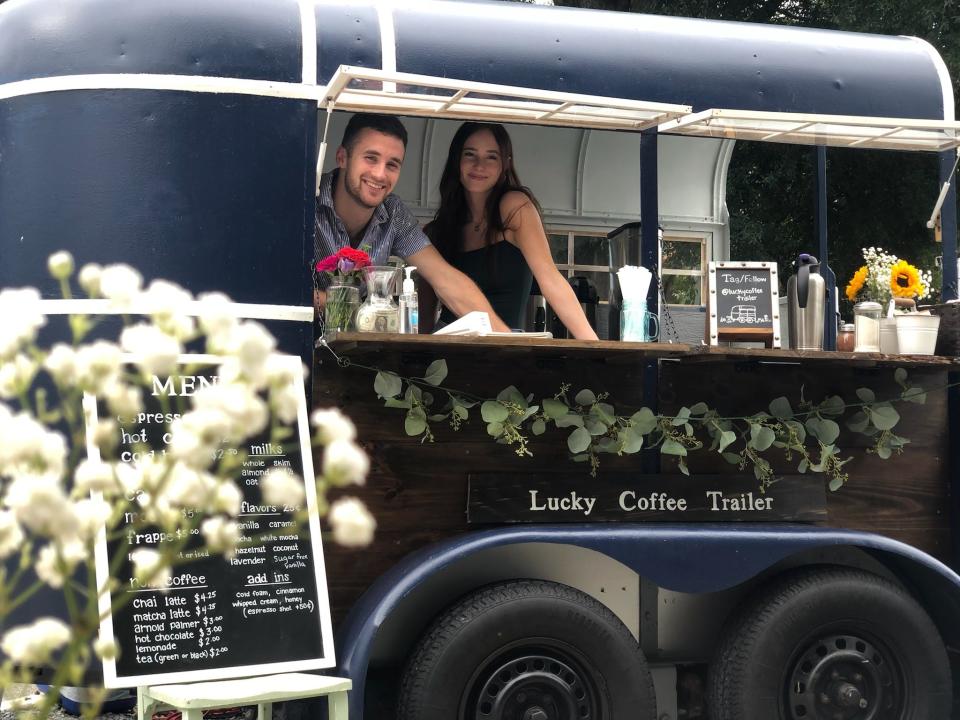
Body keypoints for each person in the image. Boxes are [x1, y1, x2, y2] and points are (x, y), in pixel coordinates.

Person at [314, 113, 511, 332]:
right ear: (342, 157)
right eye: (371, 158)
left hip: (354, 356)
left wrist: (508, 342)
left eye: (392, 164)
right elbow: (280, 287)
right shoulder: (305, 204)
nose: (380, 174)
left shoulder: (394, 213)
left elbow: (447, 280)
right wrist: (360, 307)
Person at [421, 122, 599, 340]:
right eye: (470, 154)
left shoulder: (513, 207)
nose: (479, 165)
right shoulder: (437, 231)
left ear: (505, 164)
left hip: (505, 347)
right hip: (447, 347)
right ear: (456, 159)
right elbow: (424, 317)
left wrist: (594, 348)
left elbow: (551, 280)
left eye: (491, 157)